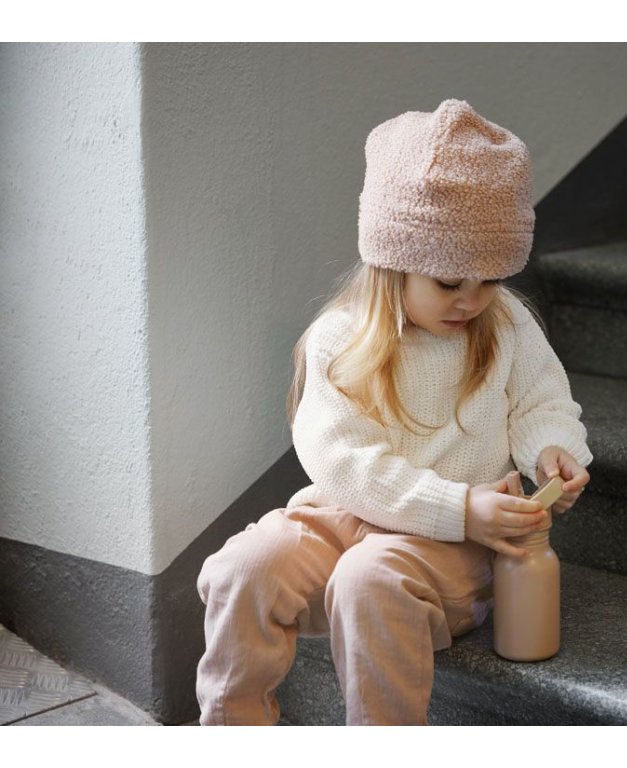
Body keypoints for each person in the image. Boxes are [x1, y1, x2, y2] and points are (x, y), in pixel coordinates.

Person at [195, 98, 593, 726]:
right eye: (448, 282)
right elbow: (341, 459)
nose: (471, 300)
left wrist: (551, 450)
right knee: (245, 568)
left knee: (369, 578)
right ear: (393, 257)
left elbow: (540, 400)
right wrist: (455, 504)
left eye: (490, 279)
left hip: (454, 547)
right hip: (349, 516)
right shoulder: (342, 337)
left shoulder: (505, 324)